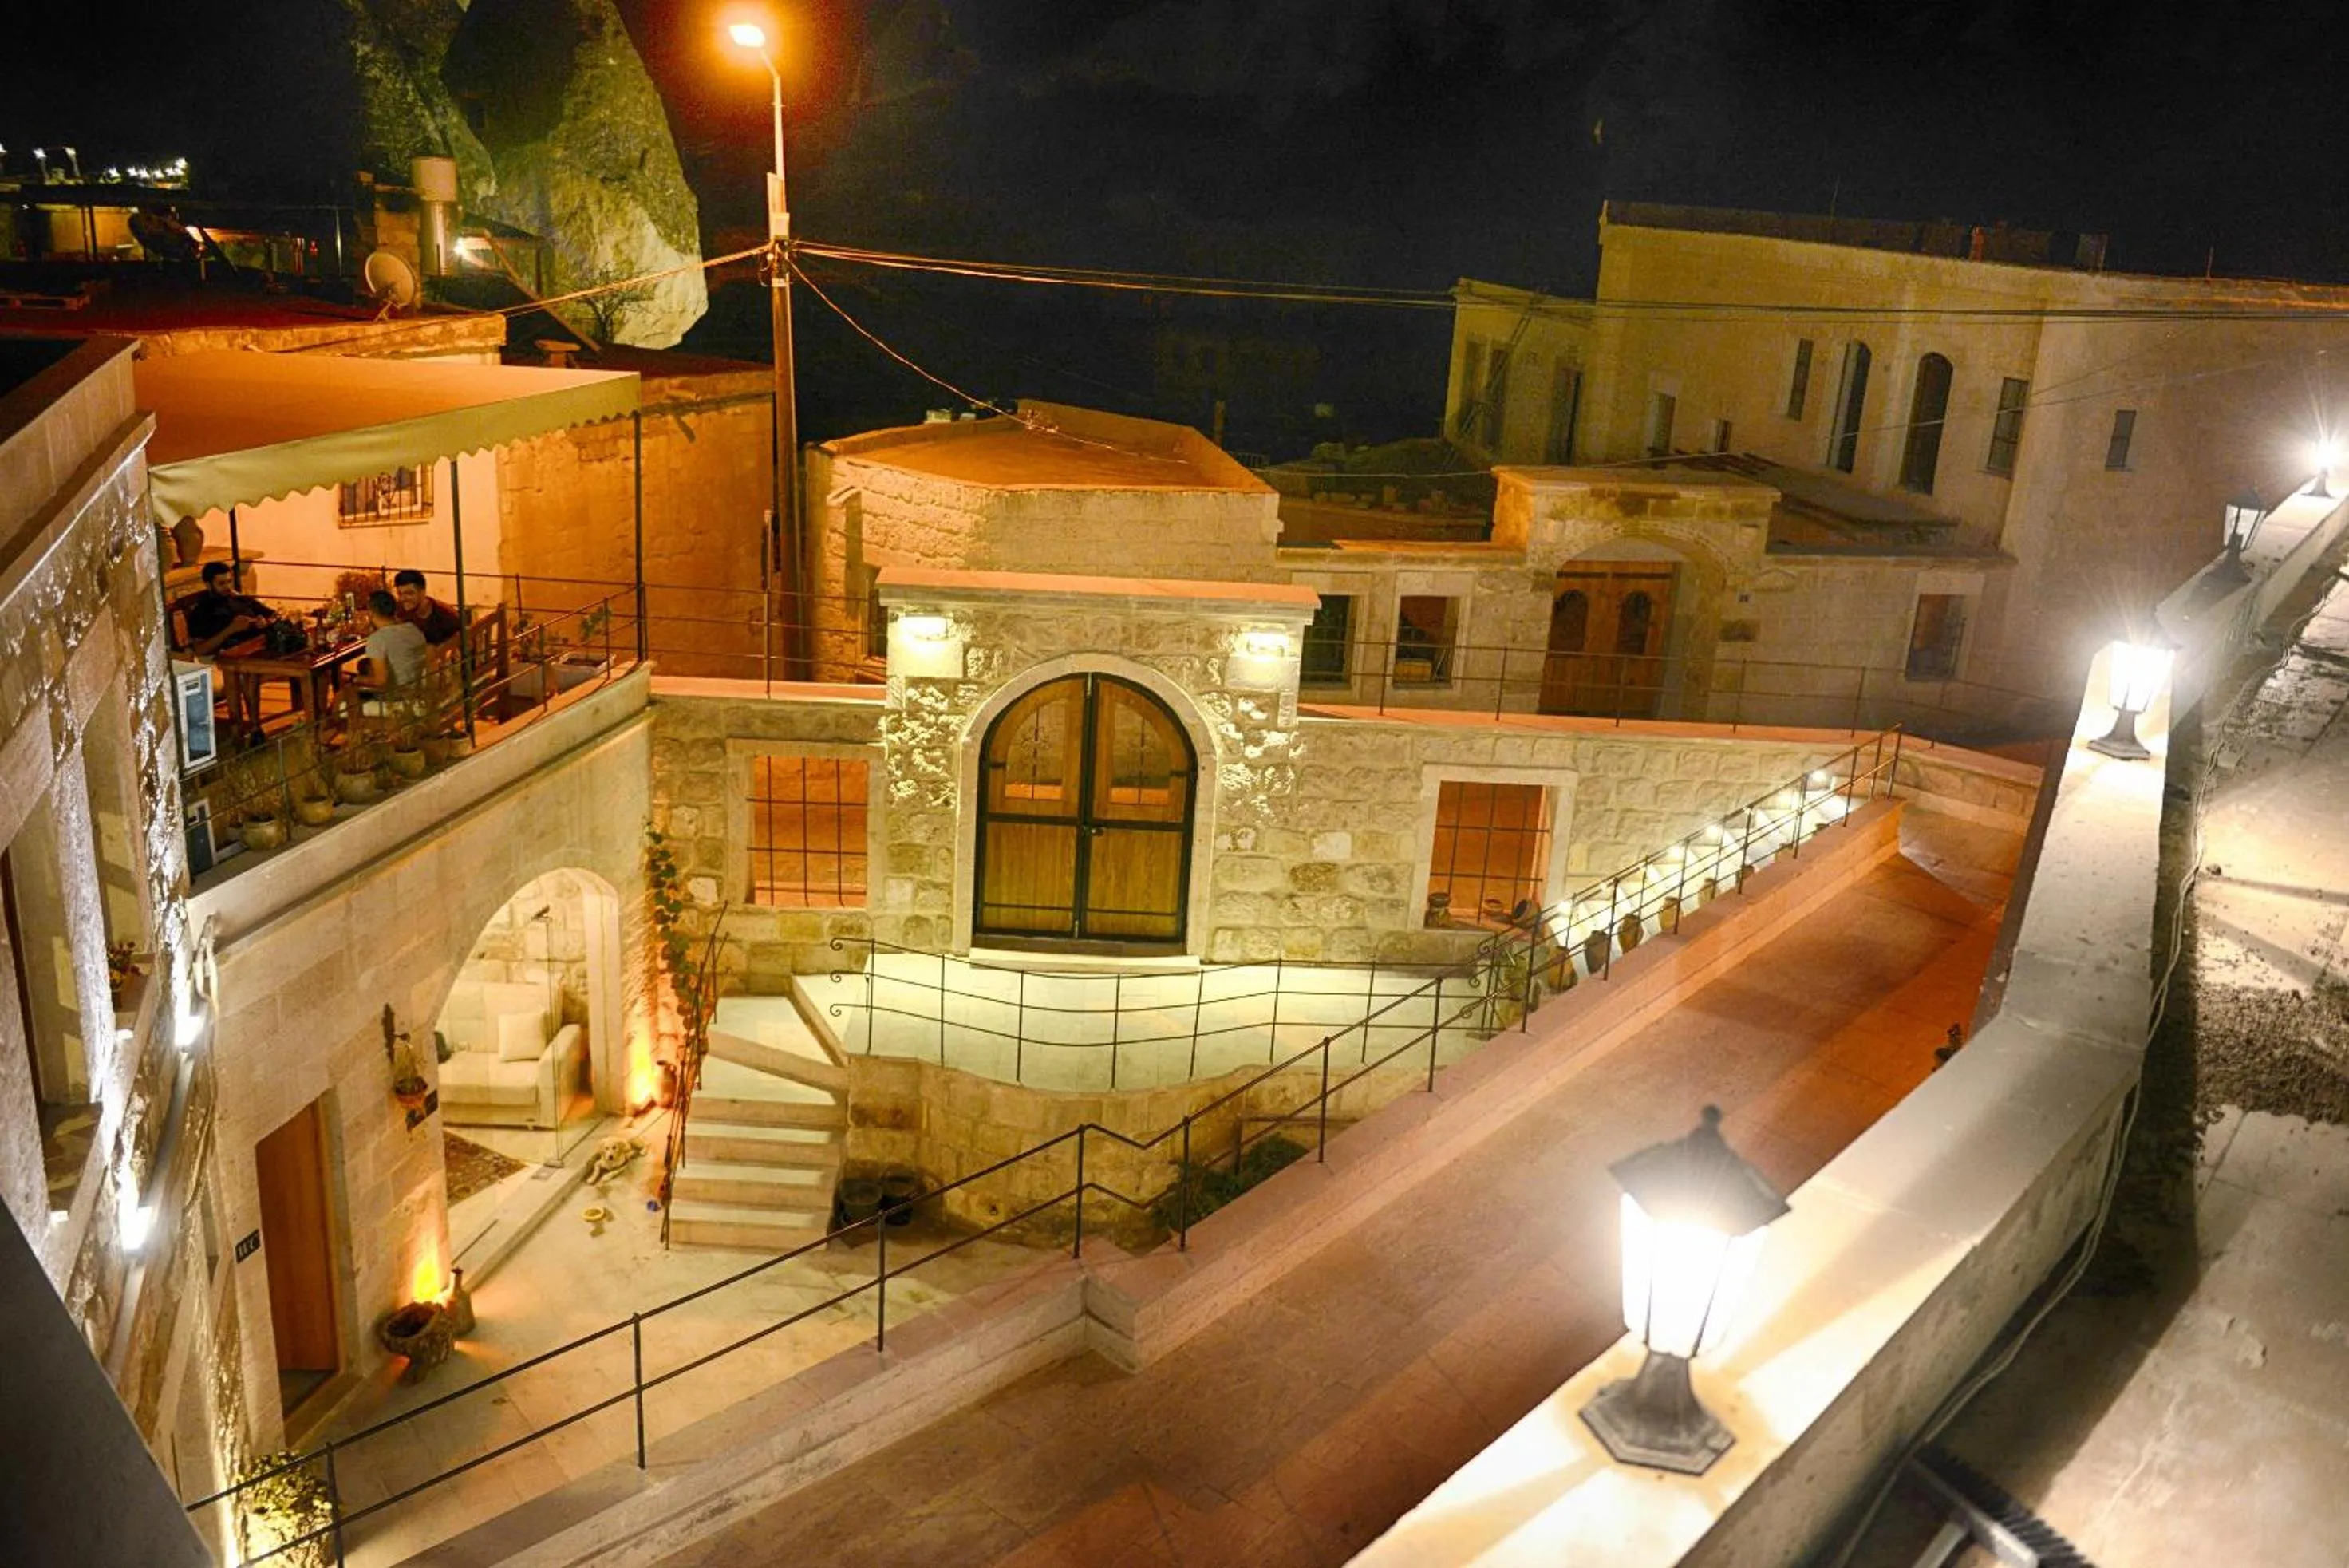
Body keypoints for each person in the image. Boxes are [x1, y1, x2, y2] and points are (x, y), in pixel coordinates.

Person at [184, 561, 278, 740]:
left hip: (253, 650)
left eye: (229, 582)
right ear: (208, 584)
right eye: (221, 583)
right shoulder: (202, 612)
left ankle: (253, 728)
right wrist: (231, 630)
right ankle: (250, 728)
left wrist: (263, 622)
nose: (227, 587)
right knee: (243, 672)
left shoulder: (239, 600)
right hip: (223, 657)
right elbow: (201, 650)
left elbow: (272, 615)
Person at [361, 590, 428, 701]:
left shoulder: (377, 639)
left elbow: (380, 681)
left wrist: (356, 680)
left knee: (342, 697)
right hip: (419, 691)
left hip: (397, 699)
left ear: (370, 613)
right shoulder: (412, 628)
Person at [393, 569, 462, 646]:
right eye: (399, 594)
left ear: (423, 592)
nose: (402, 599)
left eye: (409, 593)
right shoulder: (397, 611)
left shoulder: (446, 616)